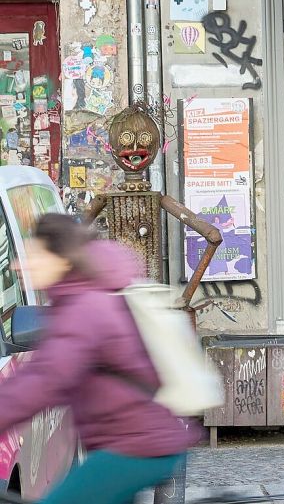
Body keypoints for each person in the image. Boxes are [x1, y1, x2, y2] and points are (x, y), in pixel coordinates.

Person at [0, 214, 198, 503]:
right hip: (135, 442)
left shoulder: (83, 308)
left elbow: (43, 380)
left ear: (62, 259)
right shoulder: (84, 298)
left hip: (133, 447)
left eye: (34, 254)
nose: (20, 265)